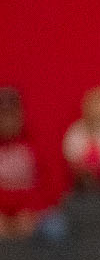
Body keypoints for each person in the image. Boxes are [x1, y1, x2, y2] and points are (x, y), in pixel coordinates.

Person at [0, 86, 55, 238]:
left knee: (52, 228)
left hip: (29, 209)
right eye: (3, 116)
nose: (7, 122)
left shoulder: (34, 147)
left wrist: (32, 210)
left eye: (12, 116)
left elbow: (47, 185)